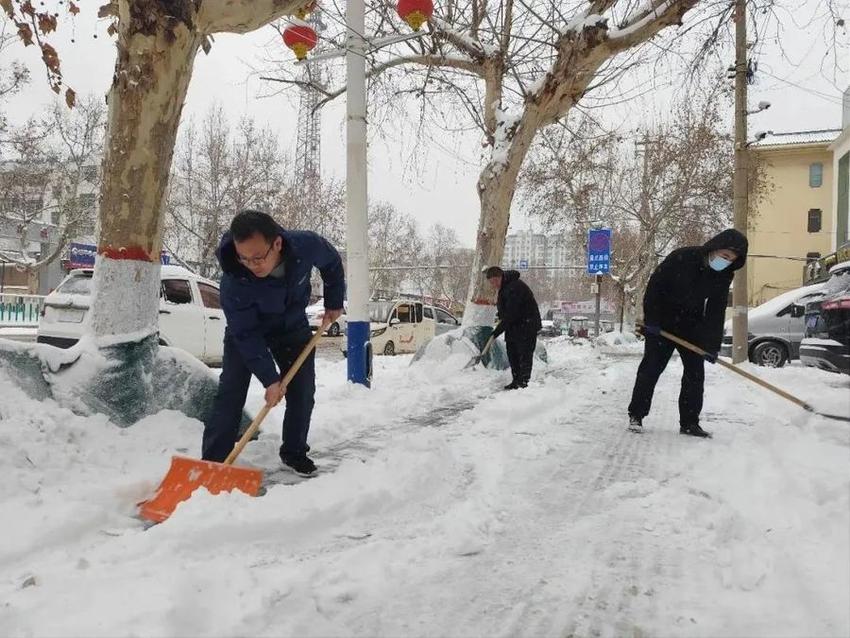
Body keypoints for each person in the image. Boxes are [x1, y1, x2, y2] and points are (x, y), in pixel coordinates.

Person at [202, 210, 345, 476]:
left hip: (291, 327)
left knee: (302, 392)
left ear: (277, 243)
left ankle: (294, 452)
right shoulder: (234, 280)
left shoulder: (306, 245)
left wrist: (334, 301)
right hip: (247, 333)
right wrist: (270, 379)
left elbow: (332, 263)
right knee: (231, 392)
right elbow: (245, 335)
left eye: (258, 258)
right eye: (244, 258)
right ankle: (214, 462)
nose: (251, 265)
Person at [627, 228, 748, 438]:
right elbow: (655, 287)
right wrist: (652, 321)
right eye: (724, 256)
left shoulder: (723, 274)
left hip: (692, 326)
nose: (725, 262)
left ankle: (690, 422)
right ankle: (636, 414)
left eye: (731, 260)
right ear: (715, 247)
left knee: (695, 374)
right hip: (663, 322)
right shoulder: (682, 257)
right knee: (651, 369)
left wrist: (711, 345)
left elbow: (715, 309)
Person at [485, 266, 542, 390]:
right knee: (512, 353)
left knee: (524, 355)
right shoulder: (504, 287)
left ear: (501, 277)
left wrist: (497, 332)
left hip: (527, 325)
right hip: (514, 326)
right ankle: (516, 380)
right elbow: (506, 310)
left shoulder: (514, 287)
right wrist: (501, 314)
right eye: (491, 282)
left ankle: (523, 383)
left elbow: (512, 313)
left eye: (495, 281)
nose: (493, 284)